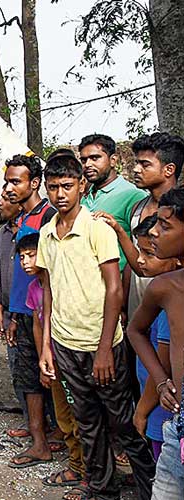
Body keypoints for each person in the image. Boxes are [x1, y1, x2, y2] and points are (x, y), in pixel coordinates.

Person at [37, 153, 155, 500]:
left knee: (122, 422)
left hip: (102, 345)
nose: (60, 194)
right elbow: (48, 290)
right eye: (54, 187)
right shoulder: (46, 234)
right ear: (47, 188)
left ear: (81, 186)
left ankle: (154, 489)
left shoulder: (97, 229)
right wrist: (47, 346)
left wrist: (105, 348)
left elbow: (114, 288)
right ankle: (103, 490)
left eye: (68, 186)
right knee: (86, 422)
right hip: (64, 342)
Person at [19, 229, 87, 496]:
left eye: (31, 255)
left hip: (71, 358)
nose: (25, 261)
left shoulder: (61, 283)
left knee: (81, 416)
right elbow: (38, 324)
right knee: (63, 416)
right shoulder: (34, 288)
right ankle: (75, 465)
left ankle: (86, 469)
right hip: (53, 361)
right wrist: (42, 359)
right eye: (22, 256)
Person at [127, 187, 184, 499]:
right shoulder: (165, 288)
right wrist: (161, 382)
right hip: (178, 428)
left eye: (166, 225)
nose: (156, 233)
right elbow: (136, 331)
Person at [3, 154, 57, 468]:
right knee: (28, 378)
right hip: (23, 311)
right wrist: (12, 312)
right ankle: (40, 440)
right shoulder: (21, 219)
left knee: (46, 375)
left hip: (42, 311)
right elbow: (19, 275)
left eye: (16, 181)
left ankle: (51, 441)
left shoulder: (48, 216)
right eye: (7, 181)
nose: (9, 188)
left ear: (34, 183)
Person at [95, 132, 184, 319]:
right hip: (140, 306)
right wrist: (124, 303)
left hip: (171, 311)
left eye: (145, 164)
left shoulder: (180, 212)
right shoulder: (137, 207)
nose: (136, 169)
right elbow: (133, 263)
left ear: (169, 169)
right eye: (136, 163)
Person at [129, 214, 177, 462]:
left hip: (161, 410)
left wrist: (142, 410)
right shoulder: (159, 295)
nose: (140, 260)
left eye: (150, 254)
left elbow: (163, 363)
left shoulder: (169, 304)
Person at [79, 134, 147, 272]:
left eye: (95, 158)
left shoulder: (133, 196)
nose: (88, 165)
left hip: (118, 285)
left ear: (113, 160)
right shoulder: (84, 197)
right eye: (84, 160)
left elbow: (144, 251)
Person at [0, 187, 30, 438]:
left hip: (25, 312)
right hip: (7, 311)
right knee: (15, 366)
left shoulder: (28, 233)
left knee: (29, 368)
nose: (0, 202)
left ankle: (46, 423)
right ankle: (30, 420)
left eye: (6, 199)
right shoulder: (0, 234)